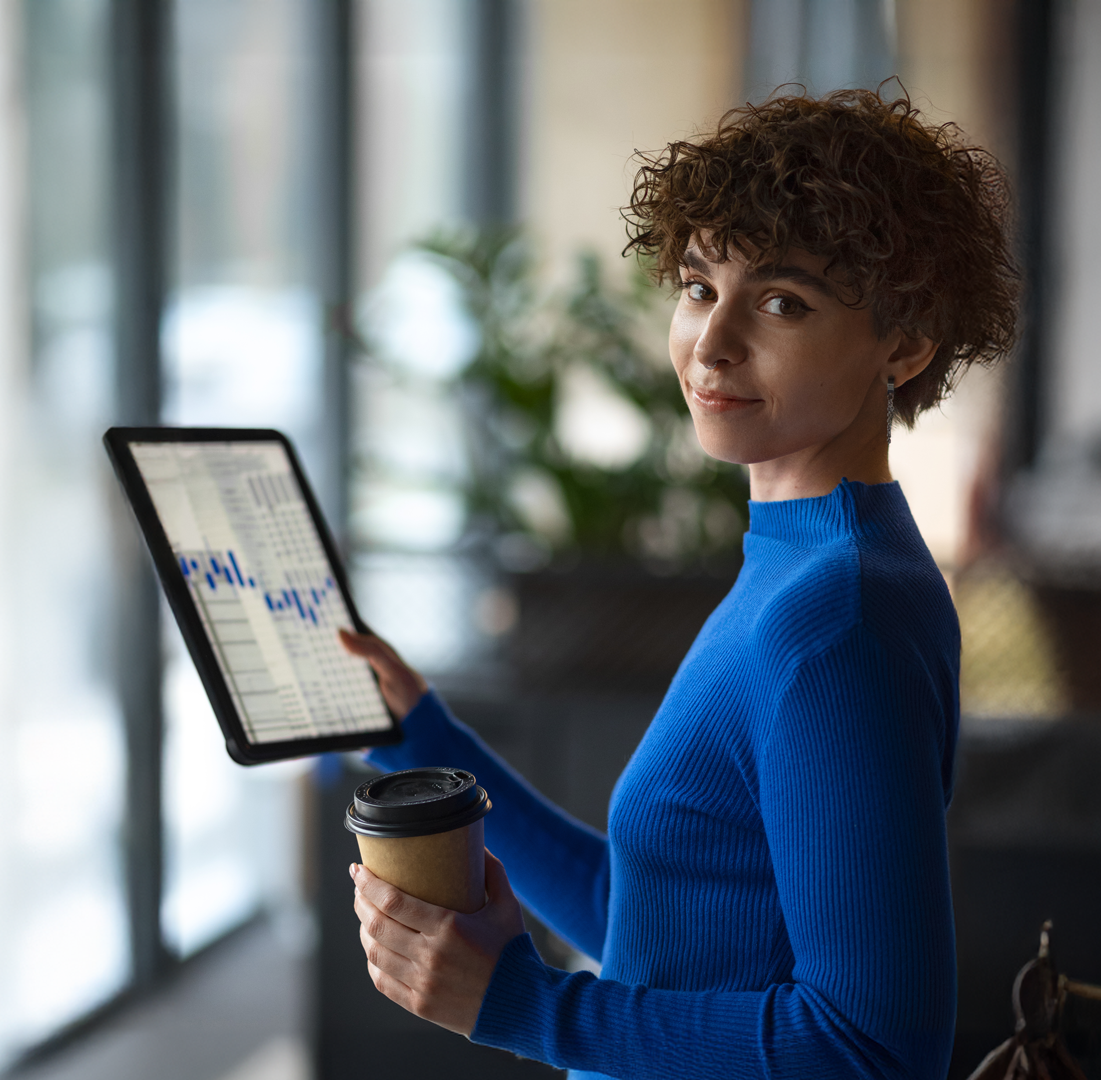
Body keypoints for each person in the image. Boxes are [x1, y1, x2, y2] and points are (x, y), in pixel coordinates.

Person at [338, 86, 1019, 1080]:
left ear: (904, 344)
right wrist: (427, 738)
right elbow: (659, 918)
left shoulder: (836, 620)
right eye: (700, 286)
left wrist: (526, 1007)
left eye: (782, 302)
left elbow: (873, 1050)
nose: (712, 341)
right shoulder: (802, 564)